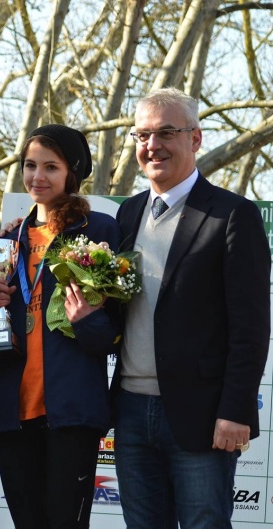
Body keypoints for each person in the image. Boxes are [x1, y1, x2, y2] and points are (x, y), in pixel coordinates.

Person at [112, 87, 271, 528]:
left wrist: (236, 409)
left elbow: (251, 327)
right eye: (142, 135)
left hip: (203, 414)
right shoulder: (127, 215)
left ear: (195, 139)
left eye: (166, 132)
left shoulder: (233, 215)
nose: (152, 145)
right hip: (130, 412)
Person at [0, 125, 121, 528]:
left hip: (72, 413)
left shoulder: (99, 232)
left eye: (50, 167)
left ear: (71, 174)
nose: (37, 177)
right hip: (14, 413)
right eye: (30, 166)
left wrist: (88, 321)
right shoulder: (8, 240)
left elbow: (114, 332)